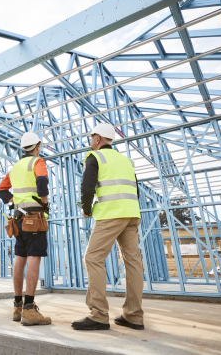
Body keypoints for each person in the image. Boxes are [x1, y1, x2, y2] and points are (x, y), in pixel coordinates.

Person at [72, 123, 145, 331]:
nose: (90, 141)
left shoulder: (94, 157)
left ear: (97, 139)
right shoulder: (125, 160)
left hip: (111, 214)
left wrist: (86, 209)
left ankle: (98, 315)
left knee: (92, 258)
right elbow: (136, 190)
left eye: (91, 137)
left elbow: (87, 187)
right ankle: (134, 316)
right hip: (131, 213)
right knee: (132, 262)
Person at [0, 132, 51, 326]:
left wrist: (14, 201)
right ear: (37, 147)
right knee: (34, 257)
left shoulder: (15, 168)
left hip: (18, 219)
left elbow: (0, 190)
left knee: (20, 257)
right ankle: (29, 309)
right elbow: (42, 181)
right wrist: (44, 203)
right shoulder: (37, 162)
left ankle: (17, 306)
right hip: (35, 217)